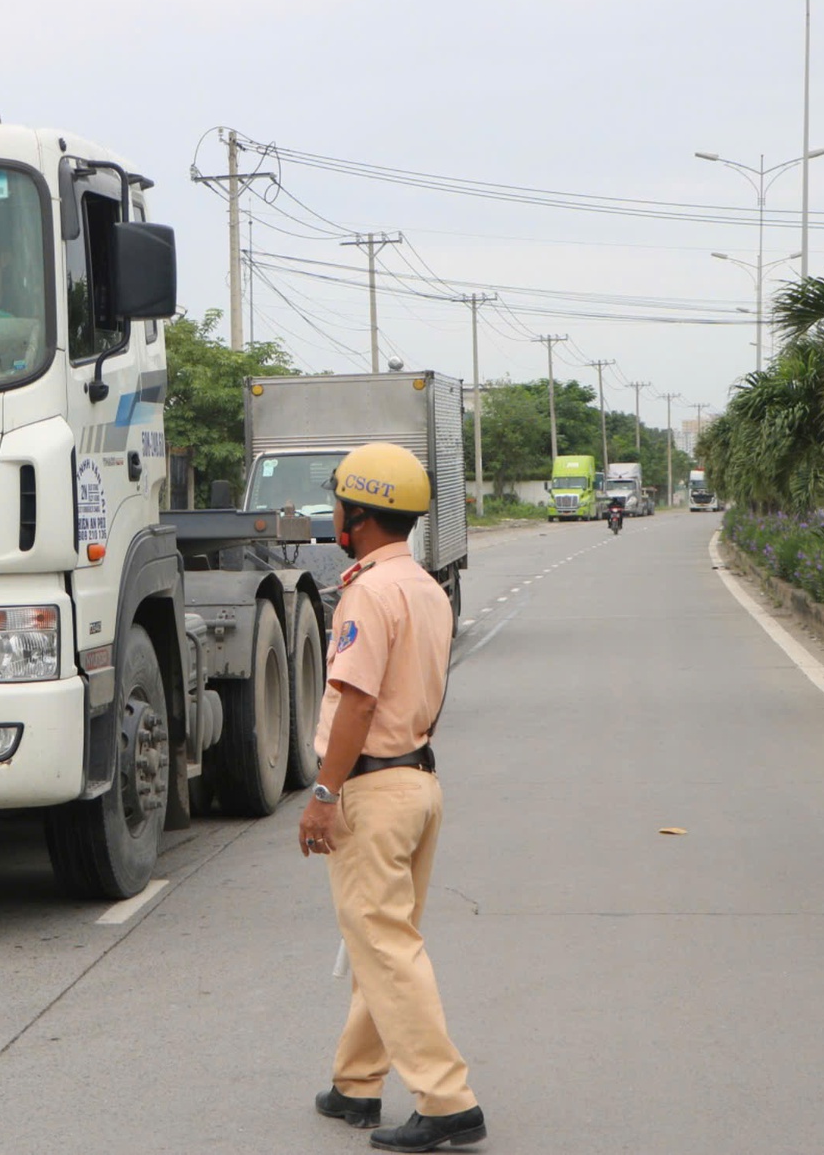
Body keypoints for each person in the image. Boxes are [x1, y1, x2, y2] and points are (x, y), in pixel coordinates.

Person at [299, 443, 485, 1153]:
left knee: (384, 943)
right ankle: (357, 1082)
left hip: (374, 790)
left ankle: (447, 1101)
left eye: (340, 501)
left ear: (360, 516)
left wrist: (324, 792)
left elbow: (353, 701)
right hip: (420, 782)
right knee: (383, 940)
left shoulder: (369, 593)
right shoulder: (425, 588)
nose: (334, 512)